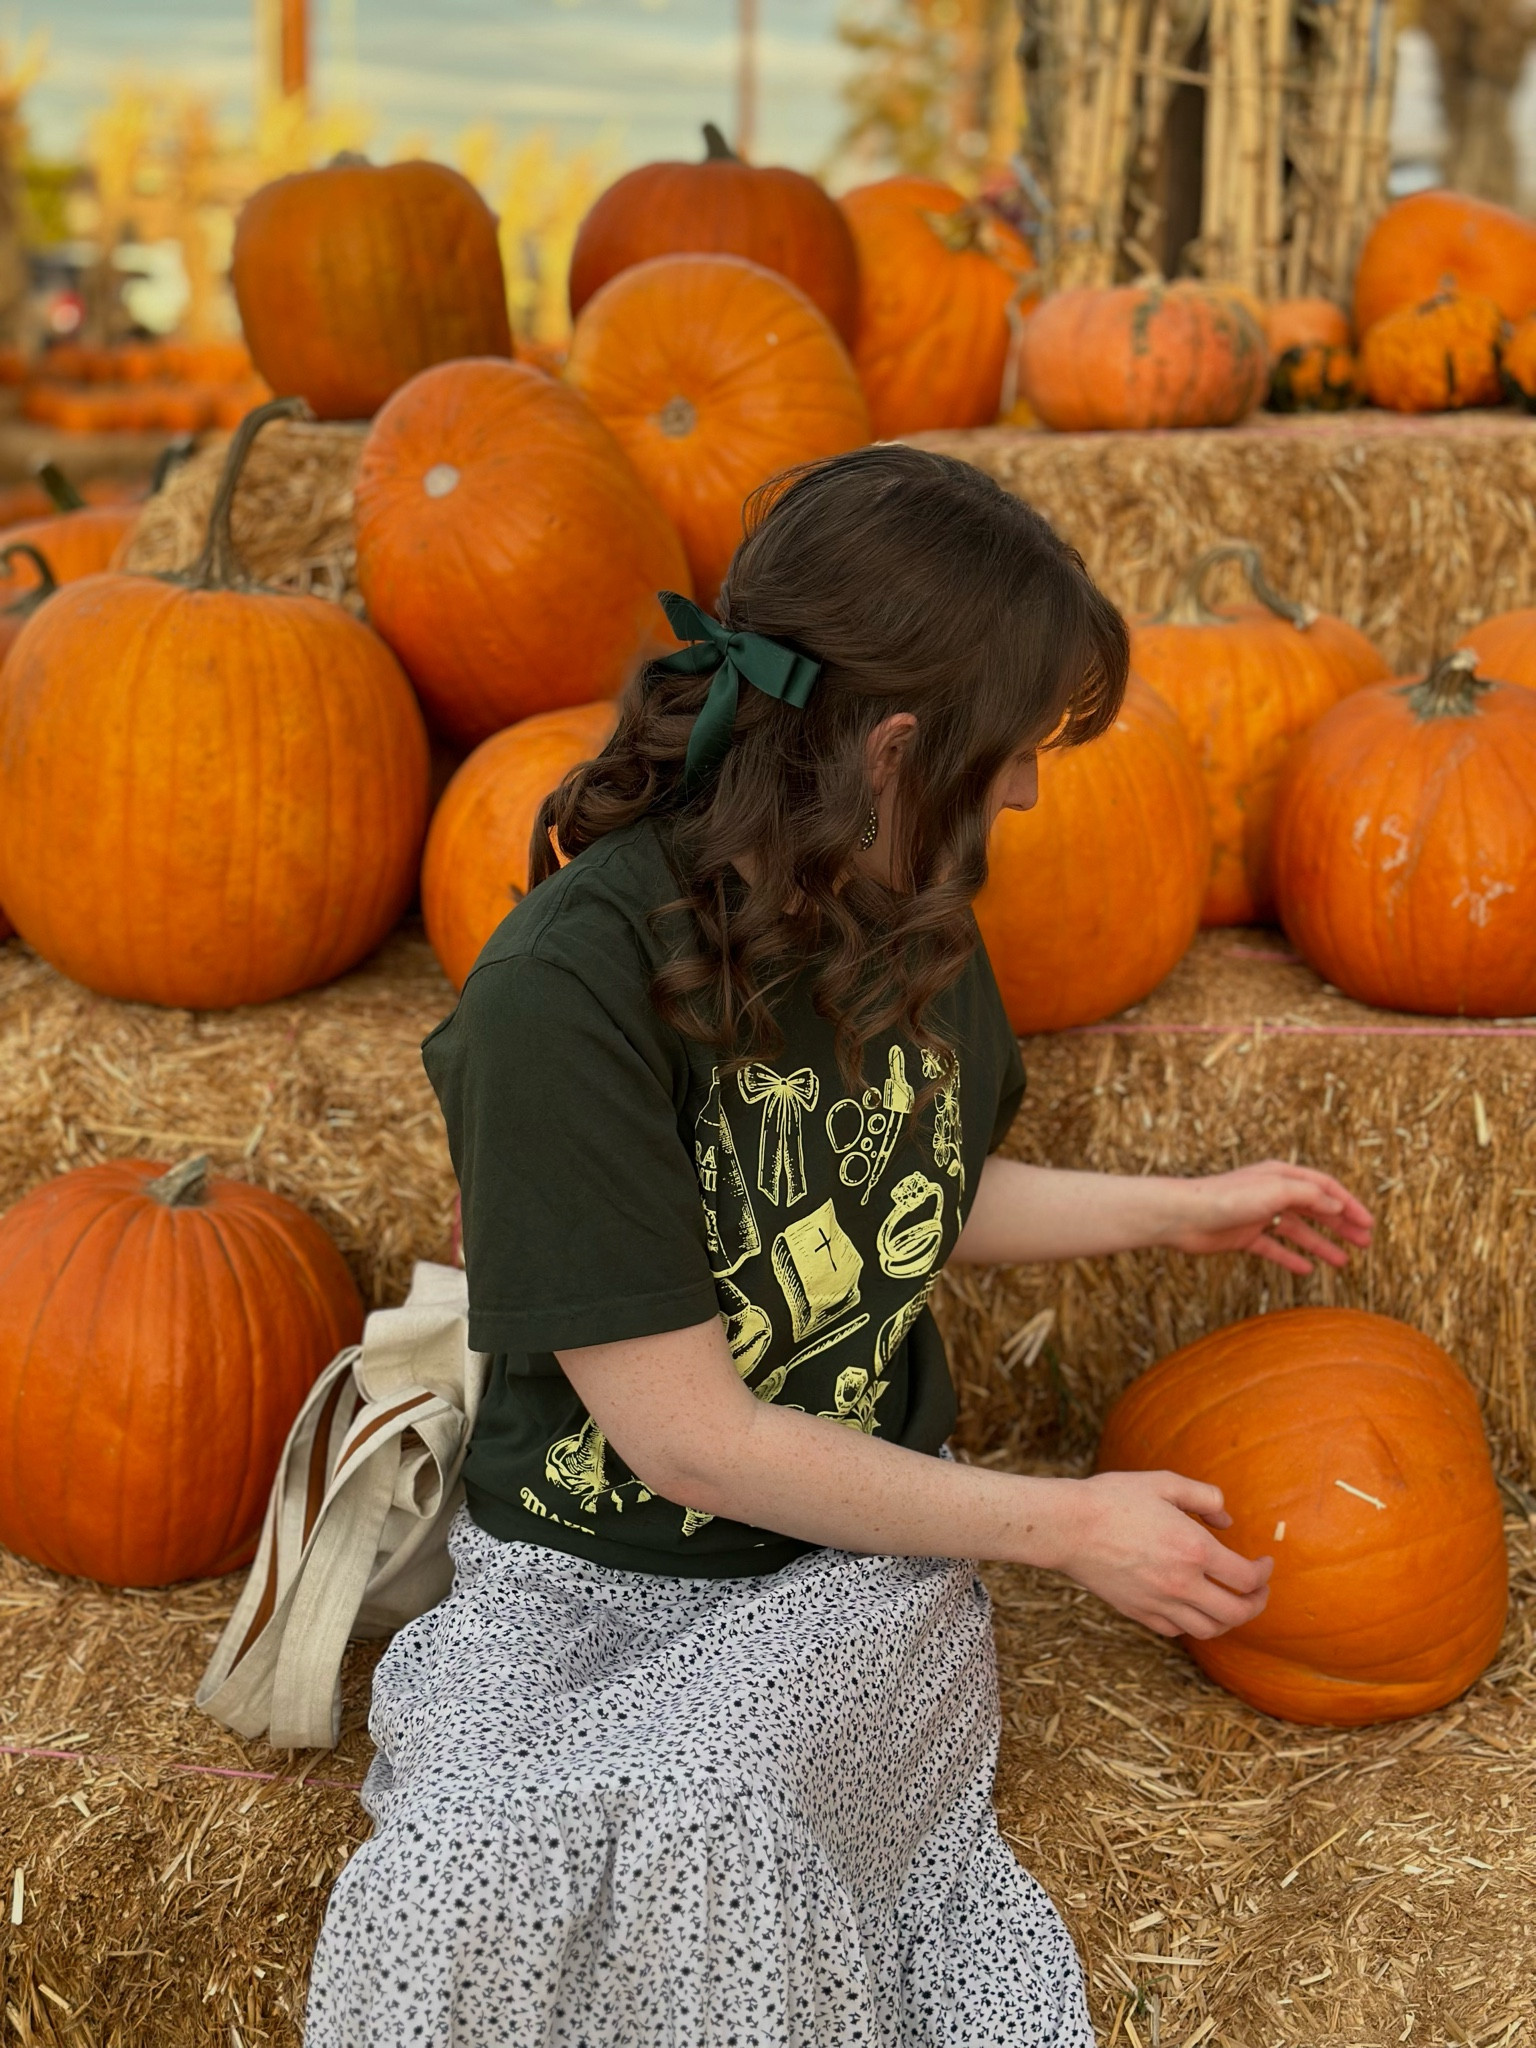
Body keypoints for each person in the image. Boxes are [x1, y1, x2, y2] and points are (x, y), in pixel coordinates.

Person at [305, 446, 1372, 2047]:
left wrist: (1185, 1204)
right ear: (896, 746)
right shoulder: (567, 991)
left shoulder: (912, 913)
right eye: (1011, 755)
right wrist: (1068, 1528)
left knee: (711, 1818)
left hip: (843, 1576)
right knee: (462, 1876)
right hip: (581, 1582)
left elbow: (903, 1198)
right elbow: (685, 1436)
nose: (1022, 793)